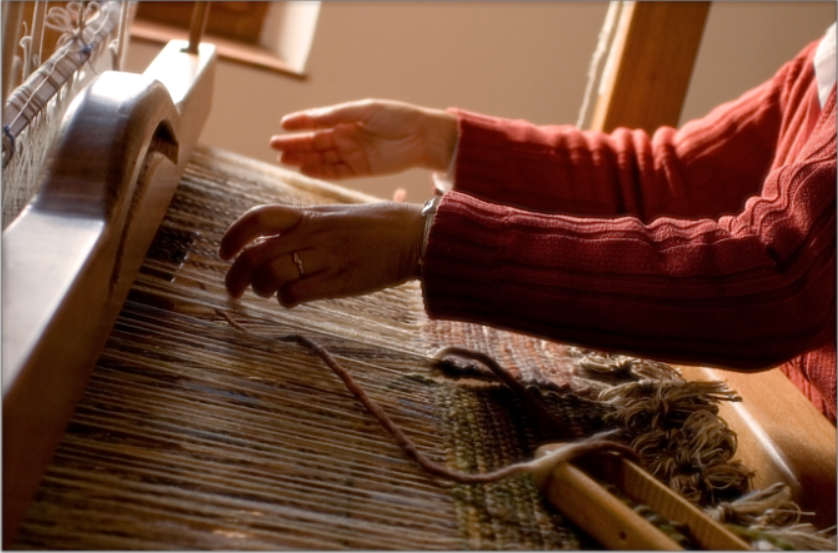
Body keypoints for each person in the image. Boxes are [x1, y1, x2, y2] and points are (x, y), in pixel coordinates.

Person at [219, 24, 837, 422]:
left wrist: (430, 243)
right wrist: (448, 141)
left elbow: (775, 280)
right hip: (782, 424)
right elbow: (664, 180)